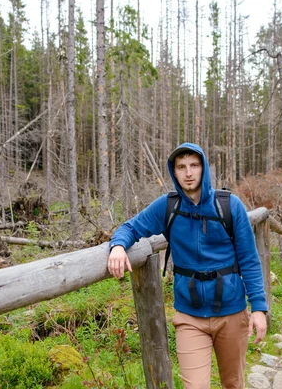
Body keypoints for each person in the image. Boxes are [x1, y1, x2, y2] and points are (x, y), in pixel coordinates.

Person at [108, 142, 268, 389]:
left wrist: (258, 308)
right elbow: (130, 227)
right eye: (181, 167)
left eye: (194, 165)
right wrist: (118, 246)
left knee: (233, 383)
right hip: (189, 316)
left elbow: (249, 259)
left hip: (232, 313)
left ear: (204, 169)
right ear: (174, 172)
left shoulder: (229, 205)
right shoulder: (168, 206)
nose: (189, 172)